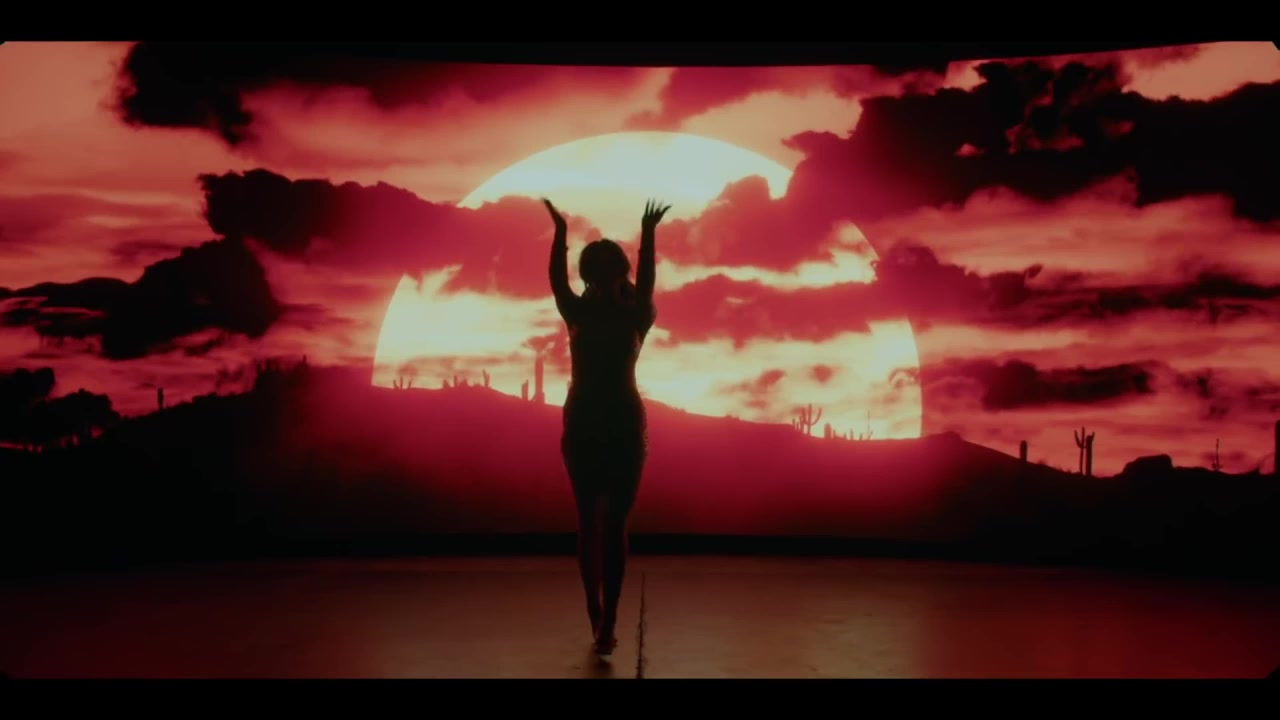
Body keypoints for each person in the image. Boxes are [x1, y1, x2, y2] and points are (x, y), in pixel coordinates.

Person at [542, 197, 670, 657]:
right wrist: (560, 234)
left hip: (622, 422)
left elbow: (647, 281)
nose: (599, 279)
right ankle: (595, 611)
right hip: (583, 421)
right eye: (593, 272)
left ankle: (609, 617)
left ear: (619, 273)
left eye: (606, 270)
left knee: (613, 524)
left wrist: (648, 236)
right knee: (588, 521)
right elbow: (557, 281)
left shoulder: (635, 312)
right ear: (588, 276)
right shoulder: (576, 311)